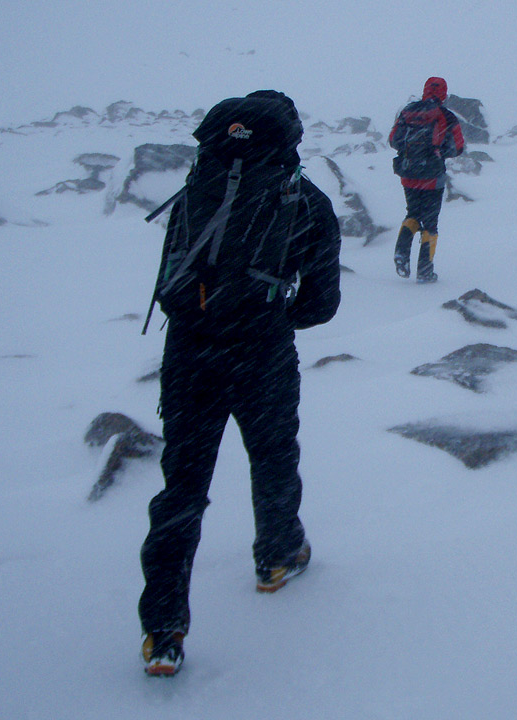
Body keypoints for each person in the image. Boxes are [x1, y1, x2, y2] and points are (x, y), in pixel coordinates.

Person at [138, 90, 342, 677]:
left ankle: (163, 630)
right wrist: (275, 314)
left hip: (189, 353)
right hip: (261, 351)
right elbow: (321, 304)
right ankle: (278, 556)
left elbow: (179, 268)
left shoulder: (196, 190)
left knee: (182, 485)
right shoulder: (305, 200)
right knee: (273, 453)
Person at [388, 76, 466, 283]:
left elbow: (393, 140)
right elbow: (458, 147)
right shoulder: (446, 116)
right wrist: (438, 152)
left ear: (425, 90)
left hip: (408, 174)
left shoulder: (408, 111)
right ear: (444, 94)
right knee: (430, 224)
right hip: (432, 178)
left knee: (412, 213)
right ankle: (425, 271)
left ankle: (401, 254)